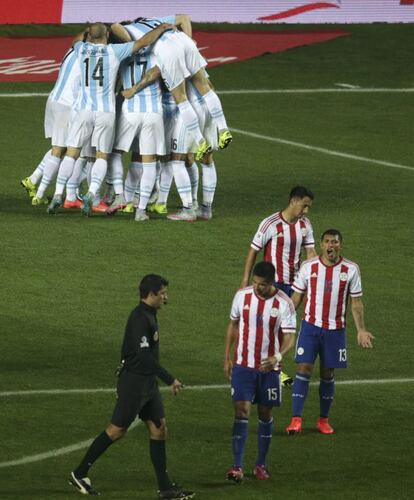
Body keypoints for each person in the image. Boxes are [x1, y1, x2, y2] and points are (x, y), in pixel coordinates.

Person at [69, 274, 194, 499]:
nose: (166, 297)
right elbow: (143, 356)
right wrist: (169, 378)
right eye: (163, 293)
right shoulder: (139, 318)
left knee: (159, 429)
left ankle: (165, 488)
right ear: (151, 294)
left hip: (147, 383)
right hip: (134, 383)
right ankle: (80, 473)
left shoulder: (150, 314)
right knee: (117, 430)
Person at [47, 21, 174, 216]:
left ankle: (58, 193)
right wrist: (160, 29)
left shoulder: (81, 49)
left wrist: (87, 32)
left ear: (89, 35)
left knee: (72, 153)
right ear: (107, 34)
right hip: (105, 112)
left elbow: (75, 41)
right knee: (102, 155)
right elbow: (141, 43)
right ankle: (91, 193)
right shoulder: (115, 51)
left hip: (83, 110)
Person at [285, 229, 374, 435]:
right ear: (322, 244)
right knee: (303, 369)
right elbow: (296, 298)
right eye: (326, 242)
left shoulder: (351, 269)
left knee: (328, 373)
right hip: (310, 328)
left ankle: (323, 420)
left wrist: (361, 330)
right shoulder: (309, 266)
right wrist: (283, 320)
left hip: (335, 331)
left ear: (340, 245)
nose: (330, 245)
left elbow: (356, 303)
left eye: (334, 242)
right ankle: (296, 420)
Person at [111, 15, 232, 162]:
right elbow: (184, 18)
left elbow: (114, 26)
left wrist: (133, 45)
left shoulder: (127, 29)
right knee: (205, 88)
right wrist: (189, 40)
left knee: (181, 98)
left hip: (167, 50)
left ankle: (200, 142)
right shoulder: (156, 20)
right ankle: (224, 130)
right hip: (183, 40)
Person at [224, 262, 296, 482]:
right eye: (255, 283)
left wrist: (277, 357)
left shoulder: (284, 303)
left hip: (269, 369)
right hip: (243, 366)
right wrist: (227, 356)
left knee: (265, 414)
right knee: (241, 412)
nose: (257, 288)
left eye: (262, 285)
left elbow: (290, 337)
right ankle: (237, 467)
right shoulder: (242, 296)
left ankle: (260, 465)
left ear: (272, 282)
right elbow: (233, 324)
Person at [241, 186, 316, 386]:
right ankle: (268, 368)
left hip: (296, 287)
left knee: (284, 327)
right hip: (273, 286)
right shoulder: (270, 224)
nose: (306, 211)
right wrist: (244, 282)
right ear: (293, 201)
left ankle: (274, 368)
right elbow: (253, 251)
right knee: (270, 327)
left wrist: (314, 280)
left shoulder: (305, 225)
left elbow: (310, 254)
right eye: (304, 206)